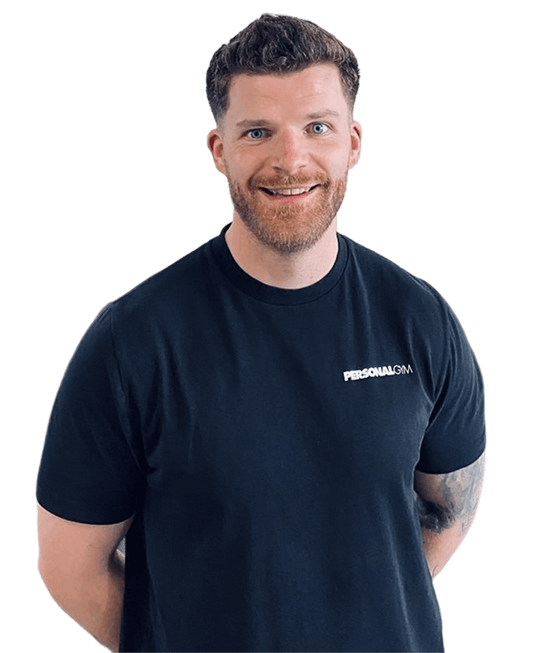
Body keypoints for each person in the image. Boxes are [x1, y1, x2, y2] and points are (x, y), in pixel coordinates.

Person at [36, 13, 486, 653]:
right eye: (257, 132)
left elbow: (451, 509)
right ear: (219, 150)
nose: (290, 160)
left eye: (317, 127)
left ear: (353, 142)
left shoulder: (419, 318)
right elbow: (69, 566)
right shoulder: (131, 342)